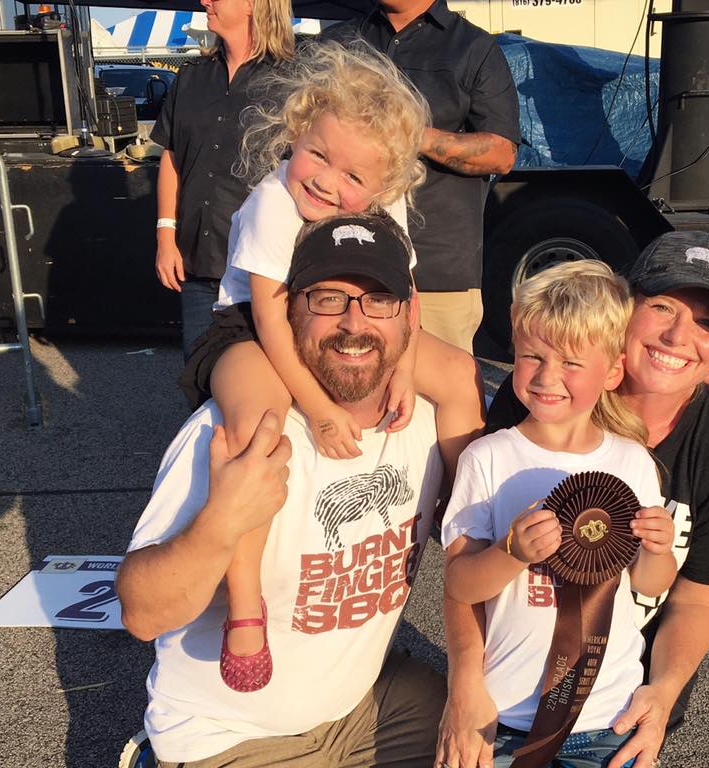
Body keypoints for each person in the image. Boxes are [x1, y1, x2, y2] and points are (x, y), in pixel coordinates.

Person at [98, 213, 479, 768]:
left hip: (358, 704)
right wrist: (217, 525)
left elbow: (566, 397)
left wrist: (693, 409)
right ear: (288, 314)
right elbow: (141, 610)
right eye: (328, 299)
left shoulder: (432, 417)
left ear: (411, 316)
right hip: (229, 740)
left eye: (376, 302)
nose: (353, 323)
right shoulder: (239, 430)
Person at [434, 231, 709, 768]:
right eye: (664, 307)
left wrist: (661, 696)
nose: (681, 335)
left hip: (613, 703)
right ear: (625, 309)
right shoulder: (529, 414)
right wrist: (464, 682)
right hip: (514, 693)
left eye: (707, 322)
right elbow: (463, 577)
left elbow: (697, 598)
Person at [371, 261, 677, 768]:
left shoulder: (632, 464)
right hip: (500, 715)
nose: (545, 375)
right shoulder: (487, 458)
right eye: (532, 355)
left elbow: (650, 583)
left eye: (572, 360)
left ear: (610, 370)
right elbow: (461, 584)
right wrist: (510, 552)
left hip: (604, 714)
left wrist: (657, 547)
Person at [178, 41, 484, 692]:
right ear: (297, 131)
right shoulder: (273, 203)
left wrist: (402, 366)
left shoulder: (387, 200)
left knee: (458, 376)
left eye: (353, 179)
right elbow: (267, 315)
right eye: (318, 155)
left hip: (356, 312)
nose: (327, 182)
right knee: (257, 424)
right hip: (254, 327)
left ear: (386, 183)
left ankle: (472, 522)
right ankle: (245, 603)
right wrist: (315, 410)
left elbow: (405, 293)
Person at [322, 0, 520, 353]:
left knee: (438, 397)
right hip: (347, 260)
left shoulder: (473, 48)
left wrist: (413, 134)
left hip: (437, 273)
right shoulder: (340, 41)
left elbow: (501, 154)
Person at [152, 0, 294, 358]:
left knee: (263, 386)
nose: (205, 2)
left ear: (252, 5)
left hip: (266, 269)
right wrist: (165, 235)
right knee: (199, 379)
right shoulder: (191, 78)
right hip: (198, 263)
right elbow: (171, 157)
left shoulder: (293, 78)